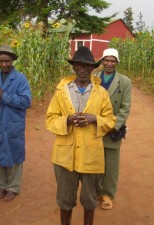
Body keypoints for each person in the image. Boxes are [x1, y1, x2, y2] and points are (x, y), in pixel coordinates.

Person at [46, 46, 116, 225]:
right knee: (65, 198)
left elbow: (110, 119)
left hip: (91, 156)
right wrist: (67, 120)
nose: (82, 69)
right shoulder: (61, 91)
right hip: (64, 156)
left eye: (86, 66)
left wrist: (95, 119)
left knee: (90, 199)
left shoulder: (101, 93)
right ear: (73, 67)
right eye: (78, 65)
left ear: (93, 68)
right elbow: (51, 118)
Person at [0, 44, 31, 202]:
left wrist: (4, 96)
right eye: (1, 61)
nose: (4, 64)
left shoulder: (20, 79)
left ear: (12, 61)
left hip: (13, 124)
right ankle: (1, 185)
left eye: (7, 61)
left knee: (14, 154)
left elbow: (26, 101)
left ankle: (13, 187)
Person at [96, 48, 132, 210]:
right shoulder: (94, 78)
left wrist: (114, 126)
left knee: (111, 165)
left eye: (113, 61)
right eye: (106, 60)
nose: (109, 63)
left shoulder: (124, 81)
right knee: (94, 161)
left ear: (117, 63)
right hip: (95, 126)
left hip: (113, 129)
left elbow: (125, 107)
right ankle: (95, 191)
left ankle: (108, 194)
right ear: (102, 61)